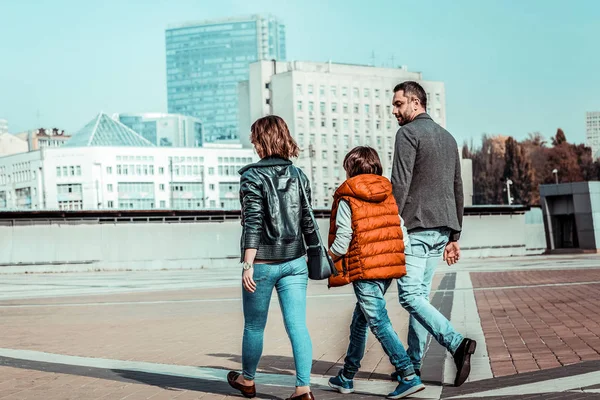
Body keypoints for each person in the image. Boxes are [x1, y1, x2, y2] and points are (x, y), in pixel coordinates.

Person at [227, 115, 319, 400]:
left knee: (254, 325)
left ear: (261, 140)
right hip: (294, 262)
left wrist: (247, 264)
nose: (253, 143)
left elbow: (252, 222)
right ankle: (303, 389)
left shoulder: (252, 176)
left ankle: (248, 381)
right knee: (298, 326)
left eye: (254, 137)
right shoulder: (299, 175)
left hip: (263, 263)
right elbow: (307, 220)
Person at [390, 81, 476, 387]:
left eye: (398, 104)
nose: (395, 111)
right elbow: (457, 187)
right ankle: (412, 362)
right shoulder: (448, 137)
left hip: (416, 227)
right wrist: (455, 235)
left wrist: (388, 222)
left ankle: (456, 344)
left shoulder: (408, 134)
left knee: (410, 296)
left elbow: (399, 184)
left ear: (415, 103)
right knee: (420, 297)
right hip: (441, 229)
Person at [327, 146, 425, 399]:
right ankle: (347, 376)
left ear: (350, 168)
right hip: (388, 268)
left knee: (378, 321)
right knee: (361, 319)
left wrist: (328, 259)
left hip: (365, 268)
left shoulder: (348, 197)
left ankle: (408, 374)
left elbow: (343, 239)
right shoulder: (387, 194)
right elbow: (400, 232)